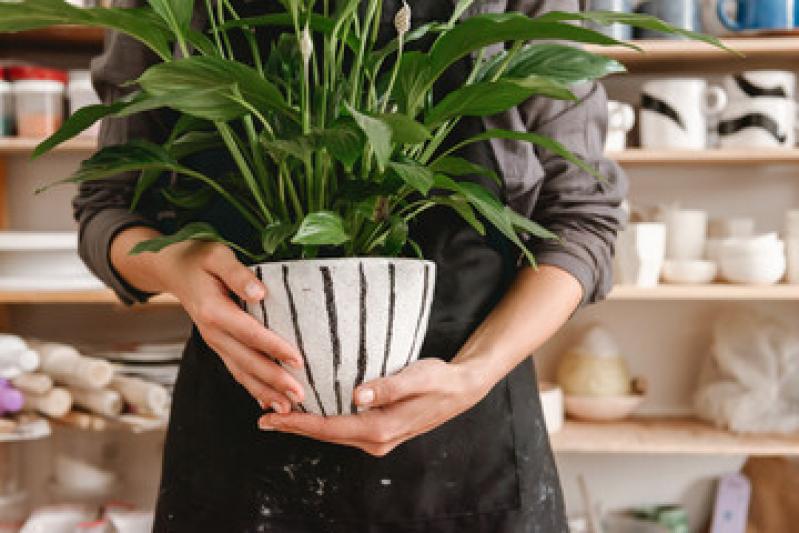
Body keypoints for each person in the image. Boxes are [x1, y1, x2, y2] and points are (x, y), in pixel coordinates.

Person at [74, 0, 627, 531]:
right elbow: (107, 209)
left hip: (467, 450)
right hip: (246, 431)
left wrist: (472, 375)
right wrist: (178, 266)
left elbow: (583, 219)